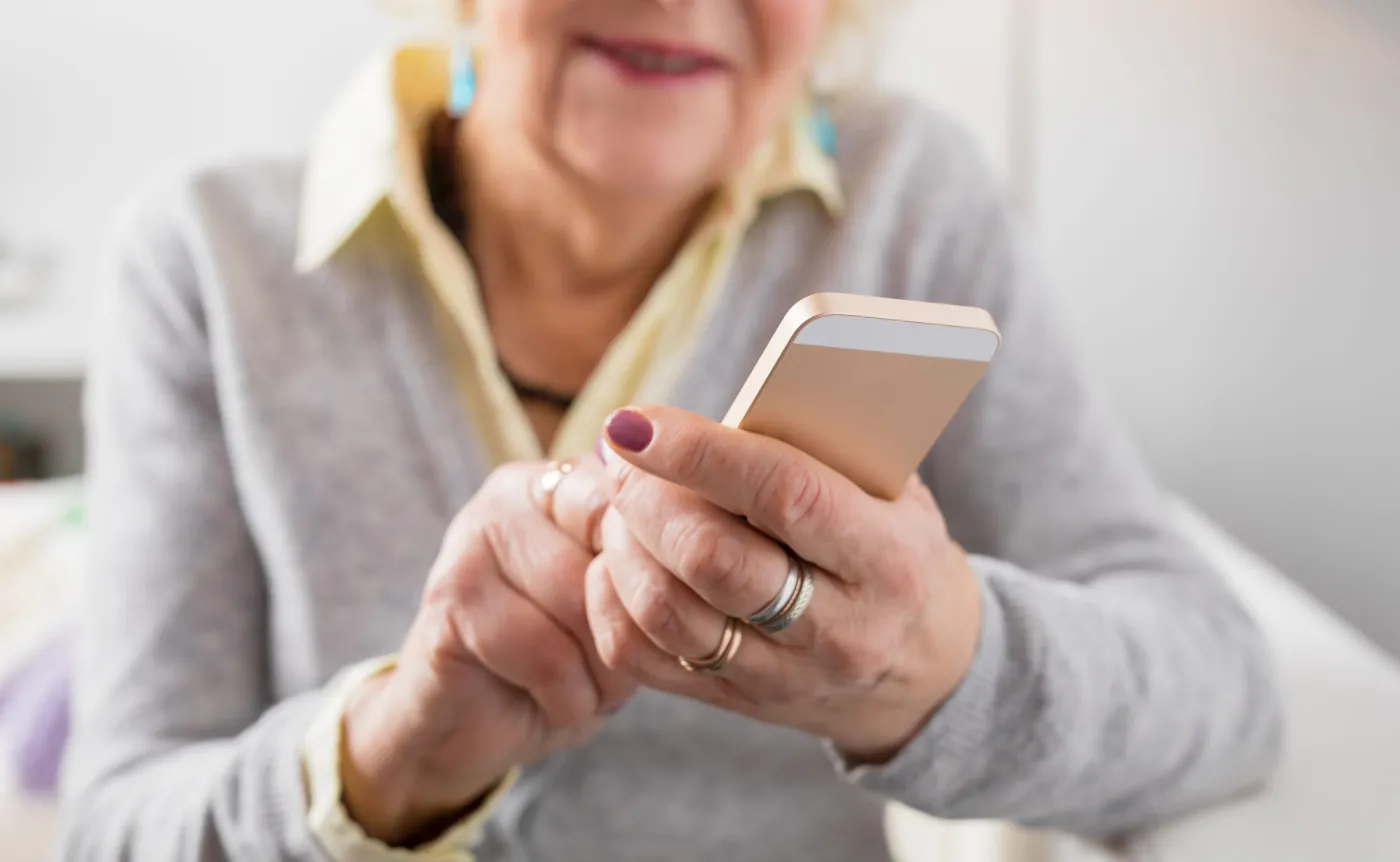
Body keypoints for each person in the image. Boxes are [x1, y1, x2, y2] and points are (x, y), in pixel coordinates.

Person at [60, 1, 1284, 860]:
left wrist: (933, 665)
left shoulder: (909, 200)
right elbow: (114, 827)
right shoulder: (208, 259)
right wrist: (394, 759)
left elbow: (1218, 688)